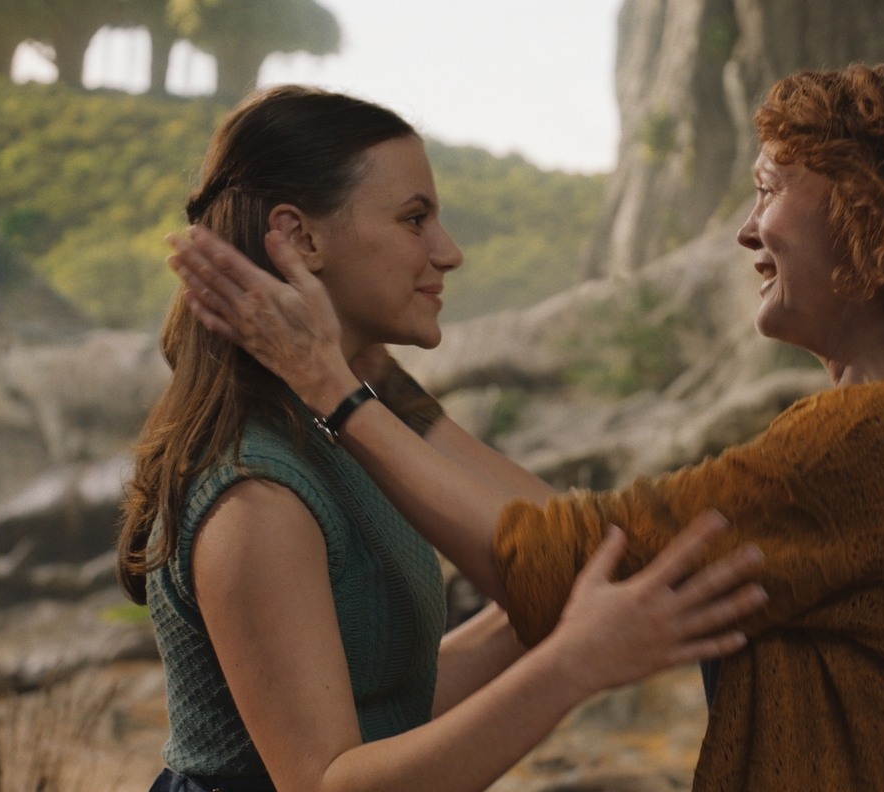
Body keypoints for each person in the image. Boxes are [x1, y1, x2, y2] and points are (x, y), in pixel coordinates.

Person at [171, 61, 884, 791]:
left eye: (769, 191)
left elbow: (577, 561)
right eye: (415, 219)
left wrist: (339, 390)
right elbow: (583, 559)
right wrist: (363, 384)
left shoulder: (876, 443)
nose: (746, 231)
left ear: (867, 214)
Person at [117, 85, 771, 792]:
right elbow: (322, 783)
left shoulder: (341, 434)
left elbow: (410, 691)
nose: (448, 253)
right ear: (302, 238)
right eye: (414, 219)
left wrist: (383, 395)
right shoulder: (256, 495)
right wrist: (573, 665)